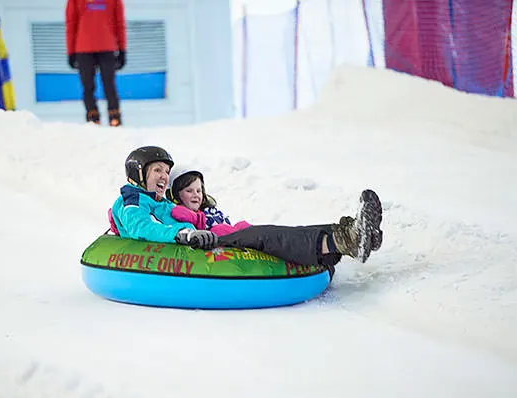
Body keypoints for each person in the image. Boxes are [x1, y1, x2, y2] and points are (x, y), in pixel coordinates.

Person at [111, 146, 384, 267]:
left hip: (201, 237)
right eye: (157, 169)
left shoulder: (157, 202)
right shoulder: (132, 200)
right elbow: (142, 228)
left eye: (165, 171)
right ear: (137, 173)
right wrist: (183, 234)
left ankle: (349, 234)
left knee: (267, 232)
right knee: (260, 236)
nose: (163, 176)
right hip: (196, 244)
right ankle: (345, 239)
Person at [66, 0, 127, 127]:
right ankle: (93, 117)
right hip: (83, 49)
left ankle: (114, 116)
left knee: (109, 85)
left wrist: (122, 49)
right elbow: (71, 23)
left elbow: (119, 22)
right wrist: (70, 51)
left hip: (107, 47)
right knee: (88, 86)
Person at [166, 167, 252, 236]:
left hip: (232, 236)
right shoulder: (178, 211)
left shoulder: (210, 211)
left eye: (199, 191)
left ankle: (256, 236)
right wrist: (196, 219)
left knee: (242, 225)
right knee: (218, 230)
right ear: (176, 195)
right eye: (189, 191)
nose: (195, 195)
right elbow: (178, 212)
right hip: (212, 243)